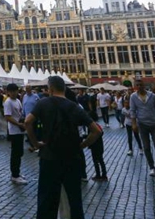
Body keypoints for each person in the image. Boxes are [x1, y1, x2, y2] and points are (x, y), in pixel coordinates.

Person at [25, 76, 100, 219]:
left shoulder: (43, 103)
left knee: (46, 199)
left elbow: (28, 122)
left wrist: (35, 143)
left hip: (49, 157)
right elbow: (96, 130)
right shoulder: (74, 106)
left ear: (50, 89)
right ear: (64, 88)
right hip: (72, 157)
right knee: (74, 199)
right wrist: (82, 145)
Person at [129, 79, 155, 176]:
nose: (139, 86)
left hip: (154, 123)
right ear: (136, 86)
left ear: (144, 85)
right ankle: (151, 167)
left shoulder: (152, 96)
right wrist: (134, 124)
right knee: (146, 147)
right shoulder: (133, 97)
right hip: (142, 124)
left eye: (141, 84)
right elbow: (132, 111)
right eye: (137, 85)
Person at [3, 83, 27, 184]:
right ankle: (14, 175)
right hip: (14, 131)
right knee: (15, 153)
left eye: (15, 91)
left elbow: (20, 113)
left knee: (19, 152)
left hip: (20, 130)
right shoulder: (8, 102)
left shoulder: (17, 100)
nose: (13, 93)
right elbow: (8, 117)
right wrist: (18, 124)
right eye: (11, 91)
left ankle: (17, 172)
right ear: (8, 92)